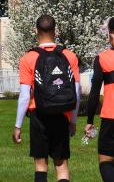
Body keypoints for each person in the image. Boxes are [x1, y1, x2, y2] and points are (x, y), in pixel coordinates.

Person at [13, 14, 80, 182]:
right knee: (61, 165)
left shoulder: (28, 58)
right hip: (62, 115)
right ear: (55, 31)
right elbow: (76, 93)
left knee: (41, 165)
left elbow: (24, 96)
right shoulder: (69, 56)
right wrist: (73, 120)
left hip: (39, 115)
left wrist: (18, 125)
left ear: (36, 31)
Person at [85, 17, 114, 182]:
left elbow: (95, 92)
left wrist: (89, 120)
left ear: (109, 34)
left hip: (110, 117)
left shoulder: (102, 58)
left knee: (106, 162)